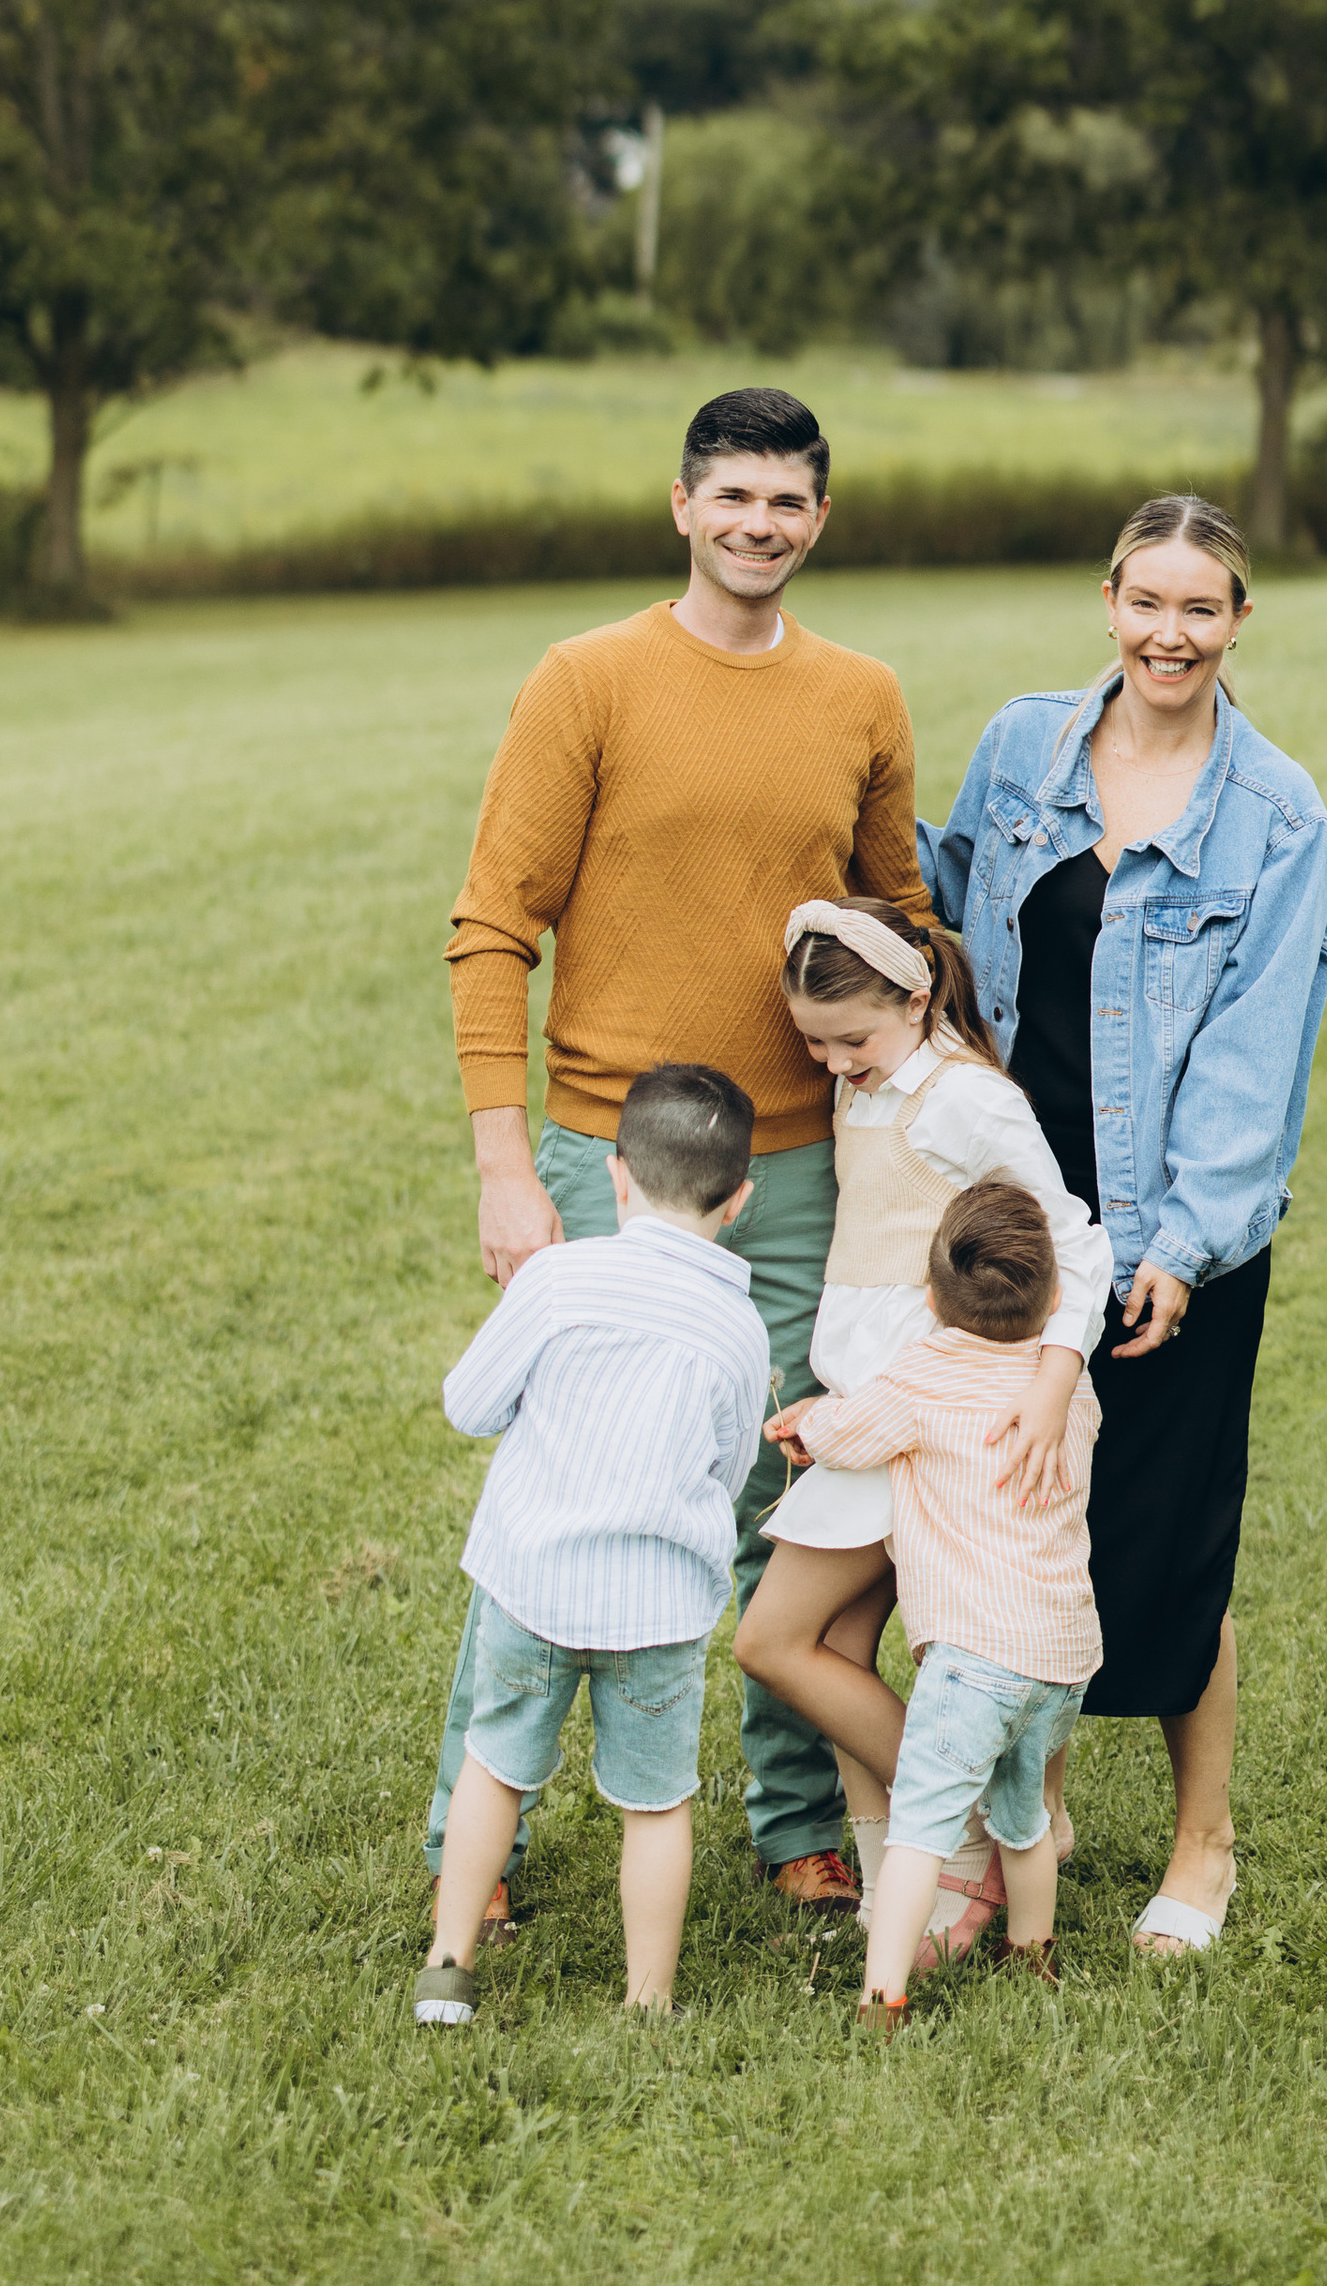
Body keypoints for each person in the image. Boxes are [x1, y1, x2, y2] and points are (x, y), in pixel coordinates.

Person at [427, 385, 931, 1927]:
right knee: (580, 1483)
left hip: (801, 1174)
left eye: (787, 502)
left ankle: (797, 1826)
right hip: (606, 1162)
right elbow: (491, 929)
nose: (759, 525)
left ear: (820, 520)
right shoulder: (587, 681)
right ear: (683, 506)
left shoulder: (863, 699)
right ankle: (480, 1835)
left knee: (789, 1497)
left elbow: (903, 933)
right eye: (734, 498)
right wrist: (511, 1170)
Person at [919, 489, 1327, 1956]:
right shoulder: (1024, 747)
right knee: (1008, 1516)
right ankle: (1027, 1813)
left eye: (1199, 608)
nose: (1170, 632)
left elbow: (1253, 1049)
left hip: (1173, 1233)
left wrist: (1181, 1248)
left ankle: (1203, 1846)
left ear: (1235, 623)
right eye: (1146, 602)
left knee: (1164, 1544)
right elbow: (952, 917)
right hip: (1015, 1220)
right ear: (1109, 601)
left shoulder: (1276, 815)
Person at [733, 901, 1110, 1960]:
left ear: (917, 996)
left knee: (773, 1640)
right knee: (839, 1645)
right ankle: (907, 1870)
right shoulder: (872, 1081)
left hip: (925, 1417)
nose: (831, 1061)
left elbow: (1071, 1239)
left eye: (851, 1038)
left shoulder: (965, 1103)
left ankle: (979, 1825)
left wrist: (1051, 1380)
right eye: (814, 1041)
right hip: (869, 1413)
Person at [414, 1063, 770, 2024]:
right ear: (739, 1200)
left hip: (532, 1585)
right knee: (655, 1807)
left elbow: (468, 1402)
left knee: (496, 1763)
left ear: (616, 1177)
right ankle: (648, 2004)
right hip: (656, 1609)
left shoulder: (559, 1281)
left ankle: (448, 1965)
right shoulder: (740, 1328)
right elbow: (731, 1473)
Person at [788, 1177, 1102, 2026]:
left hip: (973, 1659)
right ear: (1057, 1297)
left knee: (919, 1830)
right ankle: (1032, 1954)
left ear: (930, 1298)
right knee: (1025, 1815)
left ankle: (880, 1995)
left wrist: (803, 1426)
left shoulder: (927, 1372)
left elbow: (852, 1431)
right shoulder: (1067, 1391)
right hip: (1064, 1656)